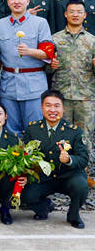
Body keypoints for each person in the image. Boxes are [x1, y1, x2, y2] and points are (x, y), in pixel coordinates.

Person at [21, 90, 89, 229]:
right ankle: (44, 207)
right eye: (48, 105)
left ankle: (73, 215)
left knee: (81, 186)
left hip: (68, 176)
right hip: (44, 177)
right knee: (26, 194)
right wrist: (26, 174)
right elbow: (26, 155)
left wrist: (69, 159)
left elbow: (83, 159)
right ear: (42, 107)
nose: (52, 110)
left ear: (63, 108)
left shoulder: (74, 131)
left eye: (57, 106)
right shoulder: (33, 129)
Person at [0, 0, 54, 136]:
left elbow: (48, 53)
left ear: (28, 0)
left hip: (34, 85)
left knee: (35, 130)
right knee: (10, 131)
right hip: (8, 84)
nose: (17, 2)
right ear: (8, 2)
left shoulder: (40, 23)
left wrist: (29, 51)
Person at [49, 0, 95, 177]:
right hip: (61, 97)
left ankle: (84, 173)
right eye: (72, 11)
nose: (75, 15)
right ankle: (62, 173)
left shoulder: (92, 41)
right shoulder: (55, 39)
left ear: (85, 15)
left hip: (86, 98)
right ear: (65, 14)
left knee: (85, 137)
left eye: (79, 12)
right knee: (62, 135)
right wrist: (50, 65)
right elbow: (46, 68)